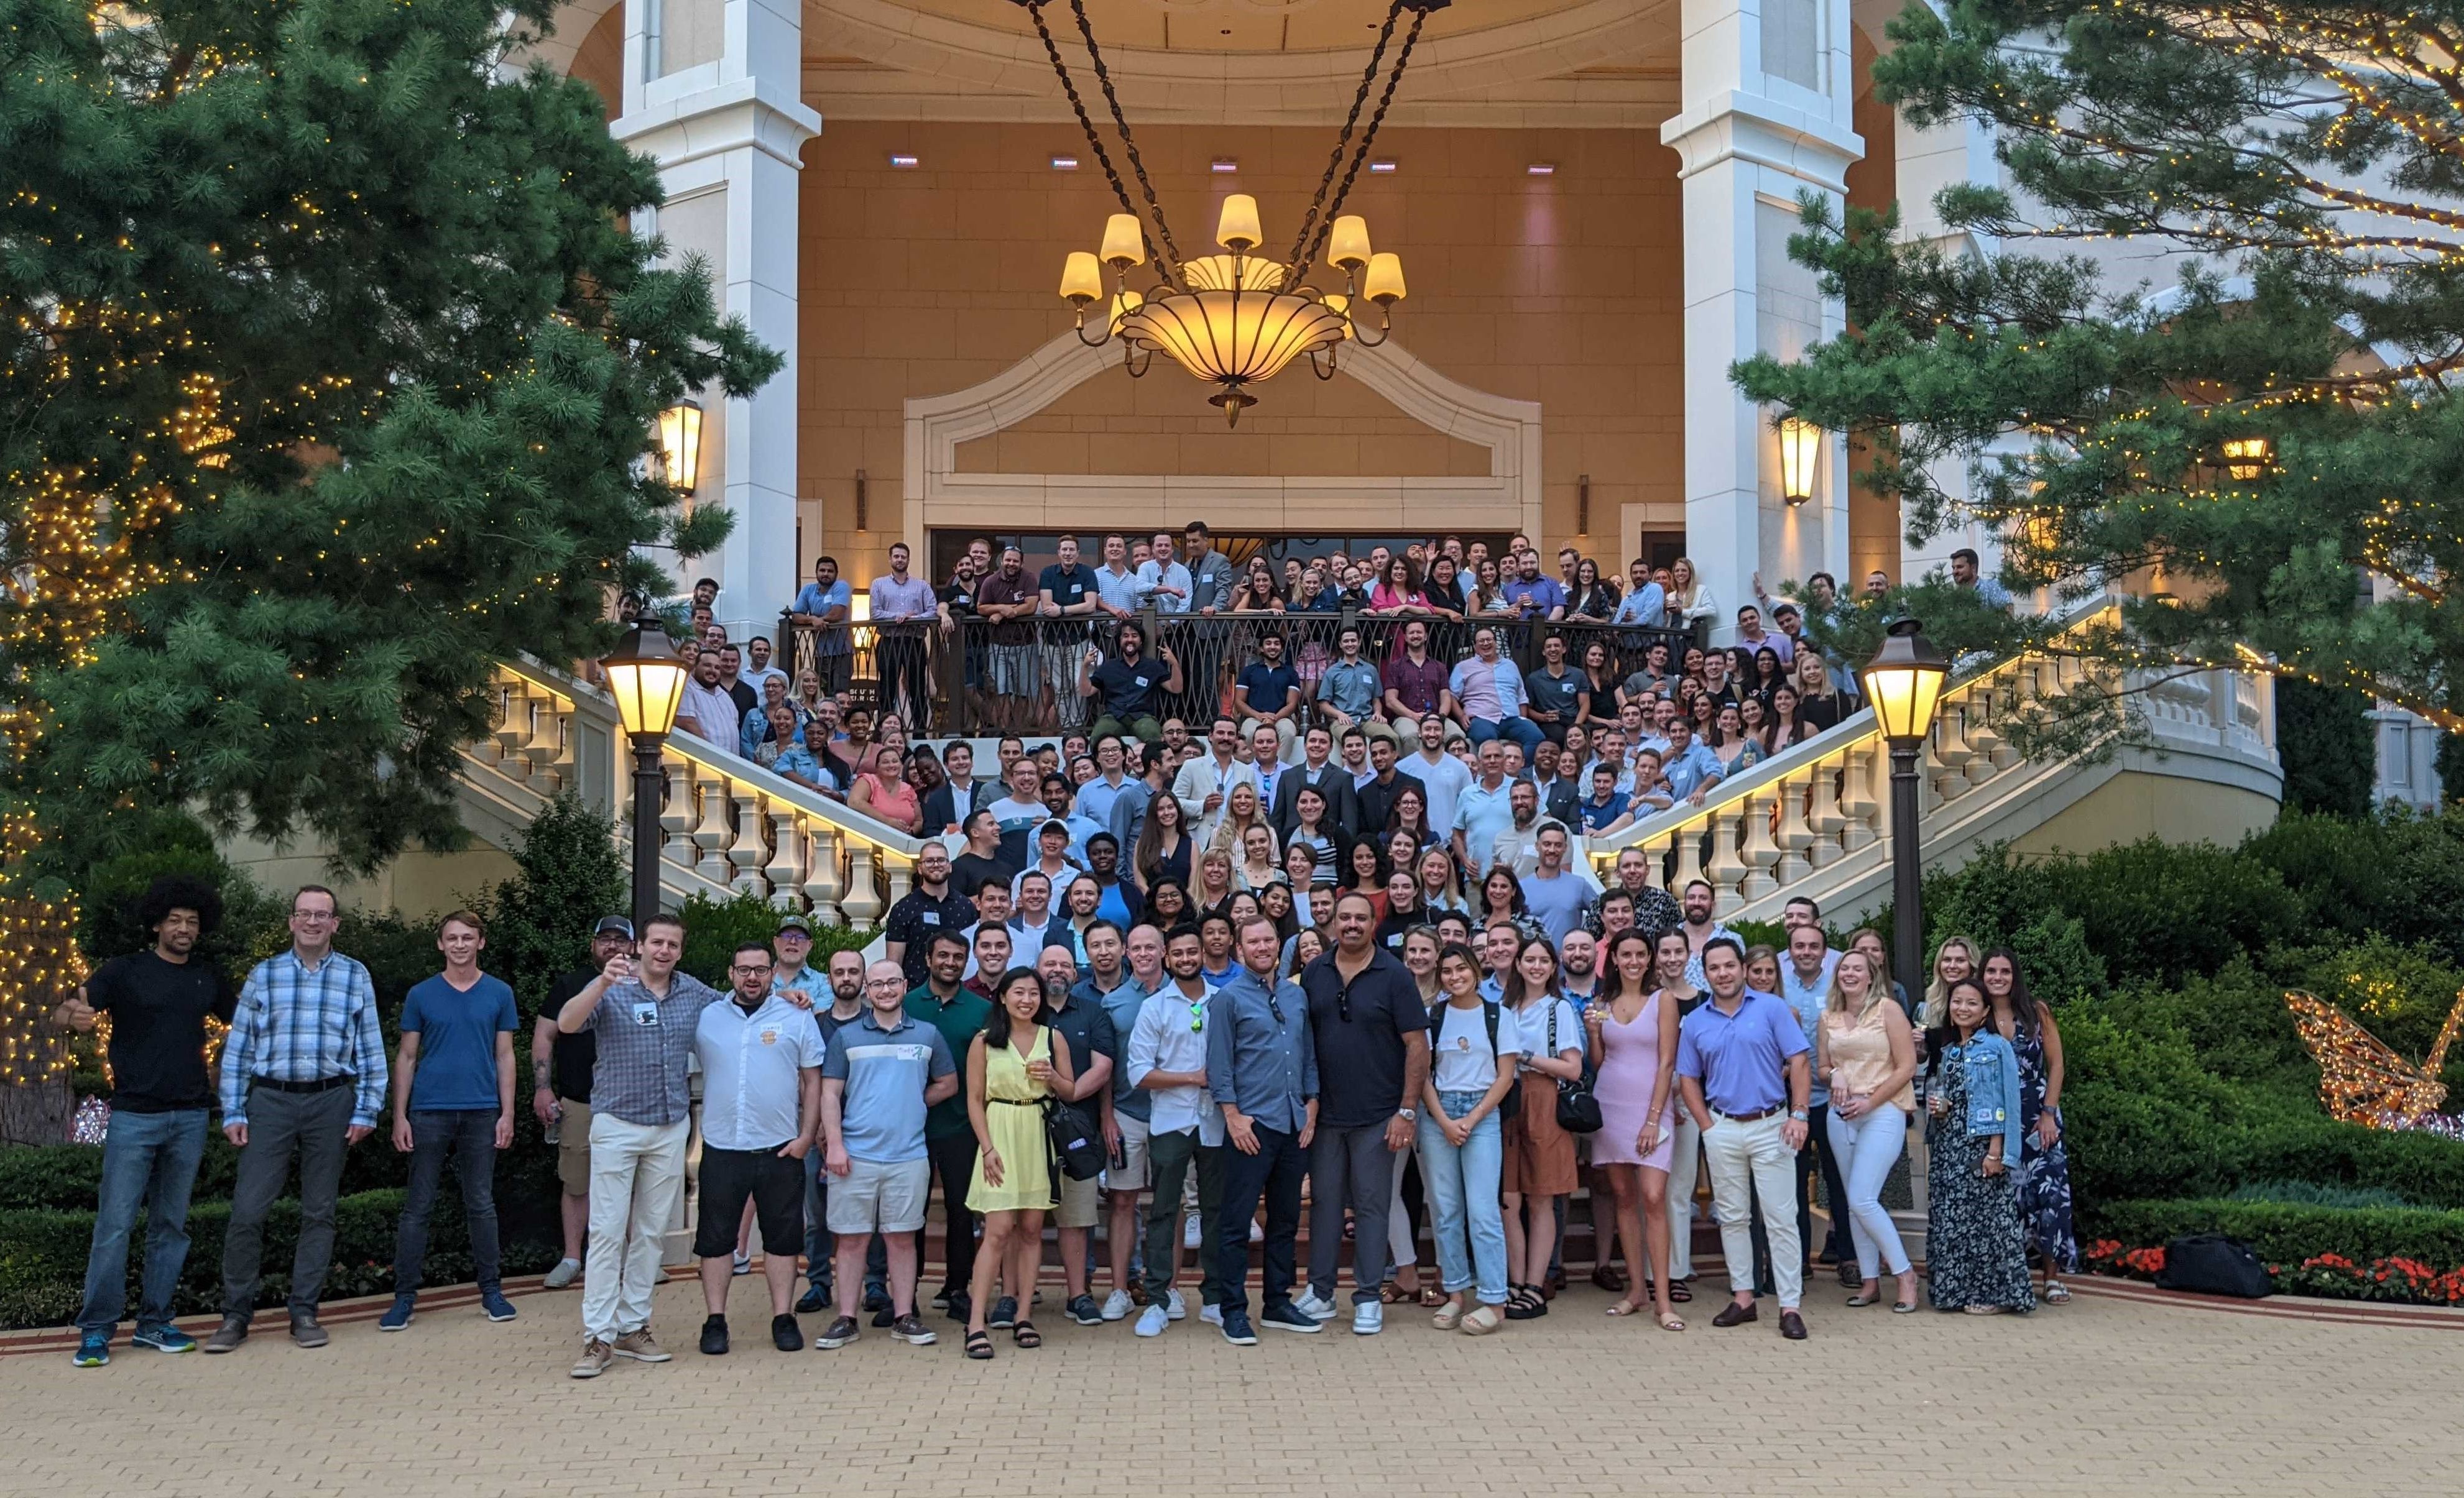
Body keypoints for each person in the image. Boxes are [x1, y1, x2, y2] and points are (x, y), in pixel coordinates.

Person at [57, 875, 236, 1367]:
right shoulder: (124, 971)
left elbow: (247, 1024)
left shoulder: (207, 979)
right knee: (114, 1226)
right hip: (135, 1117)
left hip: (191, 1116)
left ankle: (155, 1324)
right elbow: (69, 1009)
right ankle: (96, 1331)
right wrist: (70, 1015)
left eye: (192, 922)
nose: (183, 928)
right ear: (157, 924)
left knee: (171, 1226)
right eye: (175, 920)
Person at [205, 886, 387, 1356]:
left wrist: (367, 1107)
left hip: (331, 1103)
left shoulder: (354, 975)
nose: (312, 922)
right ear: (290, 922)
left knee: (319, 1212)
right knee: (248, 1211)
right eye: (304, 914)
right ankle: (235, 1315)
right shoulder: (264, 976)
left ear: (335, 924)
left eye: (321, 915)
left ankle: (304, 1311)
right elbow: (239, 1049)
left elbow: (370, 1048)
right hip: (271, 1102)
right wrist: (234, 1109)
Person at [553, 914, 724, 1377]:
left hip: (669, 1126)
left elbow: (737, 1009)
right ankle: (597, 1336)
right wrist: (600, 984)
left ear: (680, 951)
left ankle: (633, 1327)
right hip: (616, 1123)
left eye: (672, 944)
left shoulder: (693, 992)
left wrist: (786, 997)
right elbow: (567, 1025)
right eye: (656, 943)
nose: (664, 951)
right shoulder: (612, 985)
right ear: (639, 946)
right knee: (608, 1232)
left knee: (650, 1233)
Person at [1289, 893, 1429, 1335]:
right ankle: (1321, 1292)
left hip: (1378, 1115)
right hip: (1326, 1116)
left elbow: (1417, 1046)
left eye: (1360, 918)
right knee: (1326, 1206)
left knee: (1371, 1206)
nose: (1351, 925)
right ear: (1333, 923)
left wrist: (1406, 1110)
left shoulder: (1395, 975)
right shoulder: (1314, 971)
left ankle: (1368, 1295)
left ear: (1374, 923)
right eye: (1344, 917)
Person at [378, 911, 520, 1334]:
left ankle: (491, 1292)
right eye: (452, 938)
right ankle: (404, 1298)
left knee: (481, 1203)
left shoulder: (499, 993)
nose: (460, 944)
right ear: (440, 945)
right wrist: (399, 1115)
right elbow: (406, 1056)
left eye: (467, 937)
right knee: (418, 1206)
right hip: (429, 1111)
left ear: (481, 943)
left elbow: (505, 1056)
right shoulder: (422, 995)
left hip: (481, 1110)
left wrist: (507, 1112)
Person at [686, 942, 826, 1356]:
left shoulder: (796, 1016)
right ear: (730, 974)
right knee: (715, 1240)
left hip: (780, 1148)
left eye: (761, 970)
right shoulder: (706, 1017)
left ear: (772, 974)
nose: (752, 977)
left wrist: (805, 1137)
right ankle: (715, 1320)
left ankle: (783, 1317)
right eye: (744, 970)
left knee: (783, 1240)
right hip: (722, 1146)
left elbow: (813, 1080)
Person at [816, 952, 960, 1351]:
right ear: (867, 988)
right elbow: (829, 1094)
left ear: (903, 987)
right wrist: (836, 1146)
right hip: (855, 1157)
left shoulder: (927, 1034)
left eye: (892, 983)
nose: (884, 990)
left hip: (909, 1156)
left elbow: (948, 1084)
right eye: (876, 984)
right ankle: (846, 1318)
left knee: (901, 1238)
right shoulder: (846, 1037)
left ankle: (903, 1316)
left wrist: (913, 1101)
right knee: (851, 1239)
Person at [1674, 936, 1813, 1340]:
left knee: (1780, 1218)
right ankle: (1743, 1299)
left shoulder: (1771, 1009)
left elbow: (1799, 1061)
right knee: (1733, 1217)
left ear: (1741, 967)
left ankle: (1789, 1306)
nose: (1722, 973)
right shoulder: (1696, 1020)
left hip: (1772, 1124)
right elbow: (1687, 1078)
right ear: (1705, 972)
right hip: (1722, 1127)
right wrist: (1707, 1127)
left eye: (1728, 966)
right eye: (1714, 968)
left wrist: (1800, 1113)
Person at [1208, 915, 1321, 1344]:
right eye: (1252, 942)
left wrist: (1312, 1104)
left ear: (1279, 945)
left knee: (1286, 1219)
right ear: (1239, 949)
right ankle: (1233, 1310)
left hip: (1294, 1123)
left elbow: (1307, 1054)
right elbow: (1219, 1065)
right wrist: (1233, 1116)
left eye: (1268, 940)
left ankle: (1277, 1301)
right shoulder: (1228, 1000)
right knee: (1237, 1222)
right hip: (1251, 1126)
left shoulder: (1297, 997)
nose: (1261, 947)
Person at [961, 966, 1077, 1358]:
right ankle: (976, 1321)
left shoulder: (1053, 1037)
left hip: (1039, 1134)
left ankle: (1024, 1315)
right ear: (1003, 997)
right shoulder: (984, 1042)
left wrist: (1053, 1080)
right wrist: (988, 1148)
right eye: (1019, 993)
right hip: (1000, 1134)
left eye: (1033, 994)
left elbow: (1072, 1089)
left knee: (1031, 1231)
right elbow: (974, 1099)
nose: (1026, 1000)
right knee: (997, 1230)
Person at [1416, 939, 1521, 1335]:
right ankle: (1456, 1293)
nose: (1455, 977)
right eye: (1447, 971)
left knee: (1483, 1210)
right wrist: (1443, 1120)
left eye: (1461, 969)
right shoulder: (1433, 1015)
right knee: (1445, 1209)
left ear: (1476, 971)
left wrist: (1473, 1118)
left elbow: (1506, 1075)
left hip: (1483, 1114)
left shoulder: (1499, 1015)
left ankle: (1495, 1299)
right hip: (1439, 1113)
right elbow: (1423, 1073)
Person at [1130, 925, 1229, 1336]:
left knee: (1217, 1212)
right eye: (1179, 954)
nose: (1187, 959)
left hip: (1216, 1123)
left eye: (1194, 952)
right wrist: (1192, 1078)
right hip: (1171, 1122)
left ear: (1203, 955)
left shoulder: (1223, 1002)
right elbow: (1138, 1072)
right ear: (1167, 959)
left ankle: (1217, 1298)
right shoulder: (1154, 1008)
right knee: (1164, 1212)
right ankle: (1156, 1299)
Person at [1585, 929, 1684, 1330]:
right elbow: (1600, 1060)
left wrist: (1653, 1118)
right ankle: (1636, 1291)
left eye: (1640, 954)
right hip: (1611, 1105)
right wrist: (1593, 1032)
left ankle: (1663, 1300)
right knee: (1624, 1197)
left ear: (1650, 960)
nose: (1633, 961)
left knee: (1653, 1196)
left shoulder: (1664, 1000)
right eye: (1625, 954)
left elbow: (1666, 1063)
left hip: (1651, 1109)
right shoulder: (1603, 1002)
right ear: (1614, 959)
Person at [1816, 949, 1919, 1313]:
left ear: (1871, 975)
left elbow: (1907, 1066)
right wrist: (1835, 1074)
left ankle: (1905, 1275)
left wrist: (1871, 1101)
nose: (1850, 974)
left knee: (1863, 1197)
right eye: (1844, 968)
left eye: (1857, 968)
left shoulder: (1888, 1010)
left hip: (1883, 1111)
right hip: (1840, 1113)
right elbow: (1823, 1067)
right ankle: (1870, 1280)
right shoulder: (1828, 1017)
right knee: (1853, 1200)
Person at [1924, 978, 2033, 1313]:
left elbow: (2007, 1102)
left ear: (1985, 1010)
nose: (1963, 1008)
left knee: (1990, 1223)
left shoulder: (1997, 1047)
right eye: (1957, 1002)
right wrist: (1938, 1108)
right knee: (1954, 1223)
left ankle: (1997, 1297)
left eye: (1972, 1003)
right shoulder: (1949, 1050)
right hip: (1948, 1148)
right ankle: (1955, 1294)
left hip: (1981, 1146)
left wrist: (1997, 1152)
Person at [908, 931, 995, 1324]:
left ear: (967, 962)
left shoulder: (981, 1010)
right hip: (911, 1127)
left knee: (963, 1211)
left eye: (958, 957)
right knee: (911, 1213)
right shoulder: (906, 1004)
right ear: (928, 959)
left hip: (963, 1125)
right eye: (942, 955)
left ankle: (957, 1288)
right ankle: (905, 1293)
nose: (950, 962)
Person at [1981, 948, 2078, 1302]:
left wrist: (2049, 1112)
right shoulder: (1979, 1015)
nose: (1997, 977)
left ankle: (2052, 1278)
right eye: (1991, 971)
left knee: (2049, 1194)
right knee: (2006, 1199)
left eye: (2004, 971)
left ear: (2015, 975)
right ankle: (2013, 1277)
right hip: (1996, 1123)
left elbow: (2056, 1065)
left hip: (2039, 1119)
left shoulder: (2037, 1013)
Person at [1497, 935, 1581, 1320]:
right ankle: (1515, 1281)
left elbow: (1573, 1068)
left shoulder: (1558, 1009)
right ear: (1518, 964)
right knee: (1509, 1200)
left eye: (1542, 961)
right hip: (1507, 1098)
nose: (1535, 966)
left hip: (1543, 1098)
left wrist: (1527, 1056)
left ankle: (1534, 1285)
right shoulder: (1505, 1006)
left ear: (1553, 967)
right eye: (1529, 959)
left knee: (1541, 1197)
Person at [1038, 940, 1119, 1327]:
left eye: (1064, 965)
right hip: (1026, 1127)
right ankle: (1013, 1295)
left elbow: (1103, 1068)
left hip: (1078, 1131)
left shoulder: (1093, 1012)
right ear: (1038, 970)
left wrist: (1069, 1091)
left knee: (1076, 1218)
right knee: (1024, 1219)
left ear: (1075, 972)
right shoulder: (1021, 1012)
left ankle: (1078, 1295)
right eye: (1050, 963)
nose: (1057, 970)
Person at [1086, 924, 1157, 1321]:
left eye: (1152, 947)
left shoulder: (1183, 995)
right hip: (1127, 1115)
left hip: (1172, 1115)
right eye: (1138, 948)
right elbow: (1107, 1068)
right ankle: (1118, 1289)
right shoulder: (1112, 1004)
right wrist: (1107, 1116)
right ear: (1128, 953)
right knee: (1122, 1201)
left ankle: (1167, 1288)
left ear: (1161, 951)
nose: (1144, 954)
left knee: (1172, 1204)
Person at [794, 946, 868, 1315]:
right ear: (829, 978)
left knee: (872, 1214)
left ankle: (875, 1286)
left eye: (854, 972)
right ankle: (819, 1283)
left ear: (864, 979)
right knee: (817, 1213)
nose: (847, 978)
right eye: (840, 972)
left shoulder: (876, 1022)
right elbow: (803, 1080)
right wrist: (821, 1128)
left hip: (867, 1132)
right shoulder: (814, 1025)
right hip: (816, 1131)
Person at [1777, 922, 1853, 1279]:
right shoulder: (1778, 987)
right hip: (1790, 1099)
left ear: (1825, 952)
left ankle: (1849, 1260)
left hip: (1836, 1100)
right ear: (1789, 951)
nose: (1806, 952)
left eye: (1813, 946)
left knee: (1840, 1183)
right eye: (1799, 946)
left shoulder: (1839, 986)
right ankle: (1800, 1262)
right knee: (1793, 1183)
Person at [883, 842, 976, 991]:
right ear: (920, 868)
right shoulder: (904, 908)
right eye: (929, 861)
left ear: (950, 866)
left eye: (941, 860)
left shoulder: (966, 906)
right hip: (915, 993)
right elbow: (894, 963)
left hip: (959, 993)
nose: (936, 864)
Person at [1080, 620, 1183, 744]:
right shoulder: (1108, 667)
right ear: (1120, 640)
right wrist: (1085, 667)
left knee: (1155, 740)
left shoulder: (1152, 666)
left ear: (1141, 641)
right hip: (1113, 716)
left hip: (1142, 717)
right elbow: (1087, 691)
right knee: (1097, 739)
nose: (1130, 640)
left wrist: (1174, 664)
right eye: (1126, 636)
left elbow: (1176, 688)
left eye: (1134, 636)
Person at [1449, 626, 1544, 755]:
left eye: (1489, 640)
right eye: (1481, 641)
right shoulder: (1463, 667)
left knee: (1537, 738)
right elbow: (1452, 695)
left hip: (1512, 718)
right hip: (1482, 718)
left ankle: (1518, 771)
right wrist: (1461, 716)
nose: (1486, 643)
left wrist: (1523, 718)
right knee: (1487, 739)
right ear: (1475, 646)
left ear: (1496, 643)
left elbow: (1521, 696)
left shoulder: (1510, 665)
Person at [789, 555, 852, 693]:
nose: (825, 574)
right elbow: (796, 616)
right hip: (820, 653)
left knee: (840, 693)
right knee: (822, 692)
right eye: (822, 570)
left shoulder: (841, 586)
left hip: (843, 652)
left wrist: (819, 620)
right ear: (816, 572)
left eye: (830, 571)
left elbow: (837, 614)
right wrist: (812, 620)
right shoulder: (808, 590)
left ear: (836, 574)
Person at [1518, 823, 1589, 945]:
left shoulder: (1579, 885)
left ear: (1565, 848)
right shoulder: (1521, 887)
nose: (1552, 850)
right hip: (1534, 962)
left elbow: (1602, 911)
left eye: (1558, 845)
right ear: (1537, 846)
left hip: (1569, 963)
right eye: (1547, 844)